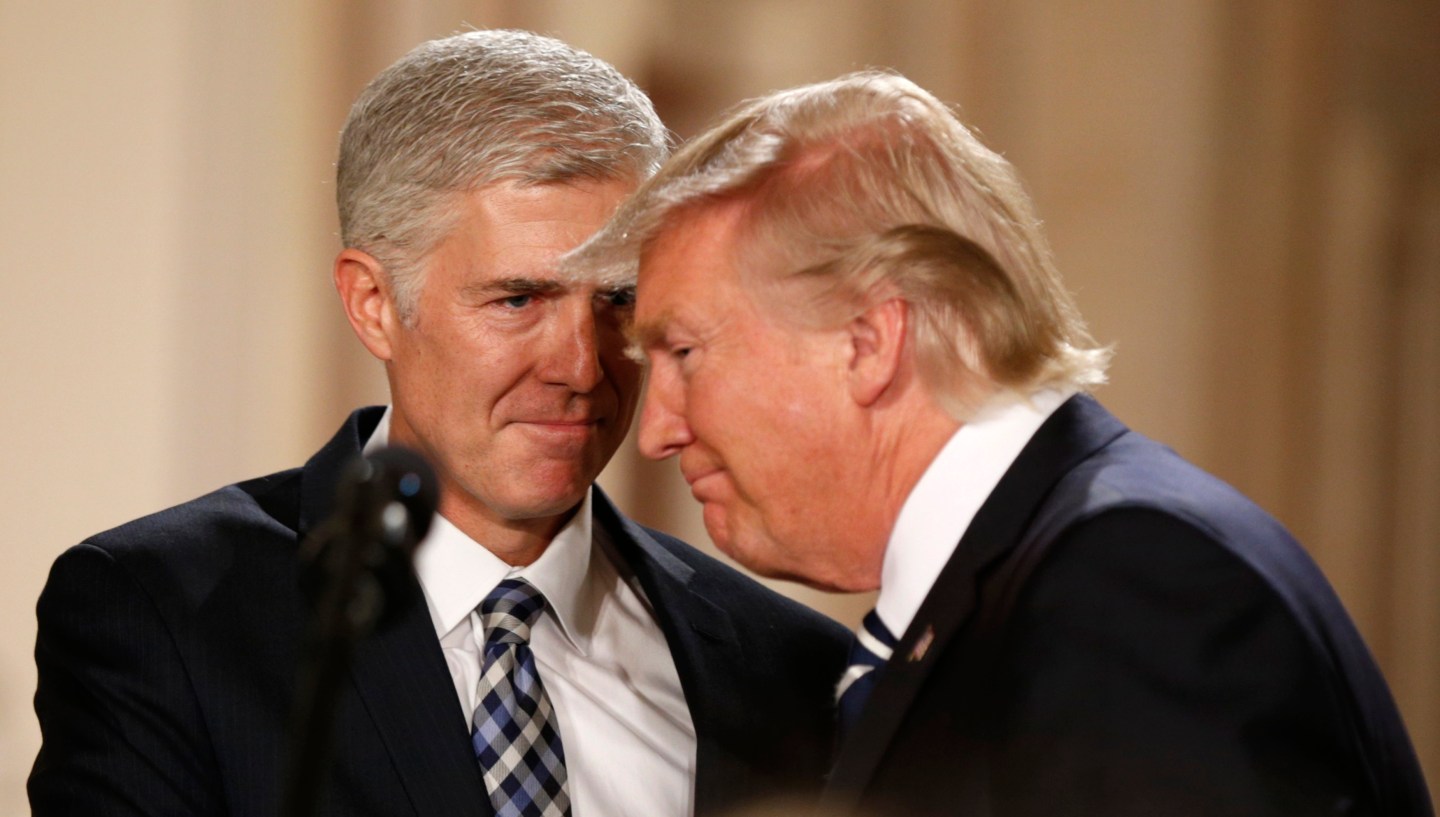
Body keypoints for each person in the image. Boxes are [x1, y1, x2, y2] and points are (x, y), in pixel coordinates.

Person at [29, 30, 848, 817]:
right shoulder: (166, 615)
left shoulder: (791, 668)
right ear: (374, 304)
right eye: (518, 299)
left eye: (619, 299)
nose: (582, 369)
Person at [570, 70, 1434, 816]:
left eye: (684, 352)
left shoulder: (1130, 588)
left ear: (869, 341)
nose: (656, 430)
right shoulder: (1038, 581)